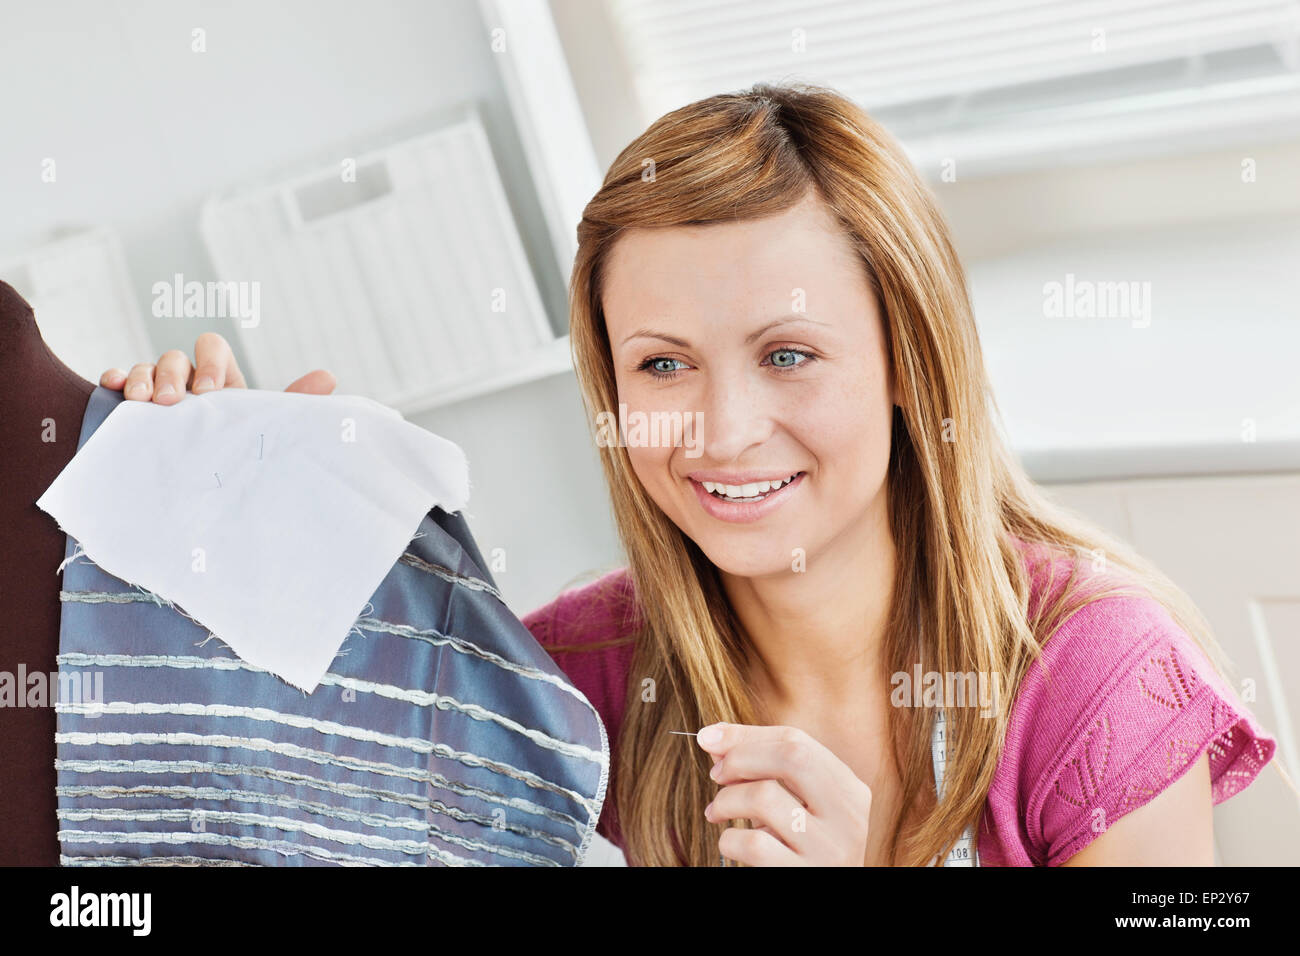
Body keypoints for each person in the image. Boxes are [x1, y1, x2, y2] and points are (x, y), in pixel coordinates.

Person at [100, 82, 1282, 867]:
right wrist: (203, 526)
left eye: (787, 353)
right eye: (662, 363)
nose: (722, 429)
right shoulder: (563, 682)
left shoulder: (1099, 676)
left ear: (910, 360)